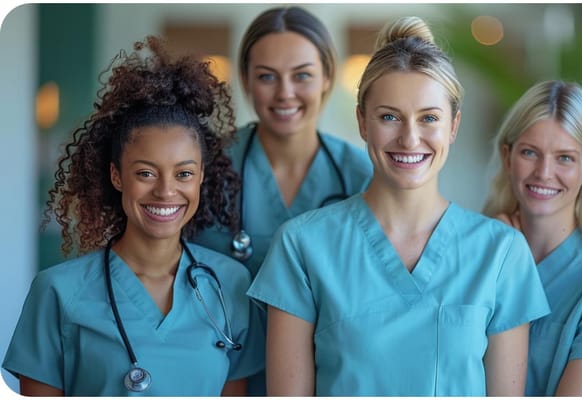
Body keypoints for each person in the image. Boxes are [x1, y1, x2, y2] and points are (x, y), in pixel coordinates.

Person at [246, 16, 550, 396]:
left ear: (453, 126)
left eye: (429, 119)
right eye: (389, 117)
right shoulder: (302, 246)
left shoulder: (500, 253)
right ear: (362, 122)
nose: (409, 138)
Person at [2, 36, 264, 396]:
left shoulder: (229, 285)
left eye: (184, 173)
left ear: (202, 176)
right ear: (116, 176)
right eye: (146, 173)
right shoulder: (58, 292)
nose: (166, 191)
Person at [482, 80, 582, 396]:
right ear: (507, 156)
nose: (544, 172)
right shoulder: (479, 252)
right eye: (530, 152)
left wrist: (514, 285)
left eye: (565, 158)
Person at [192, 6, 372, 275]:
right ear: (246, 80)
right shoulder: (205, 165)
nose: (285, 93)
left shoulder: (361, 175)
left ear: (327, 77)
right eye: (267, 76)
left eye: (302, 75)